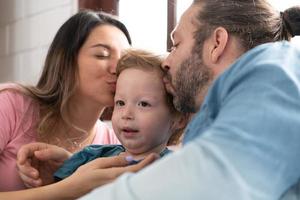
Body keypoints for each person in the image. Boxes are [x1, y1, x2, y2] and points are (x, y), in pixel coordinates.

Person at [16, 0, 300, 199]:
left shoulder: (276, 72)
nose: (167, 61)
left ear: (217, 43)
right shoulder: (221, 118)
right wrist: (77, 167)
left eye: (176, 44)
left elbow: (210, 179)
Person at [0, 9, 133, 191]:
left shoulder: (114, 144)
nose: (117, 68)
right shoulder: (10, 104)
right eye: (102, 55)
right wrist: (67, 188)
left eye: (125, 60)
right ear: (66, 61)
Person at [53, 49, 186, 181]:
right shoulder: (90, 156)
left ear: (179, 118)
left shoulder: (179, 171)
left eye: (143, 104)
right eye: (120, 103)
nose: (126, 114)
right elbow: (54, 190)